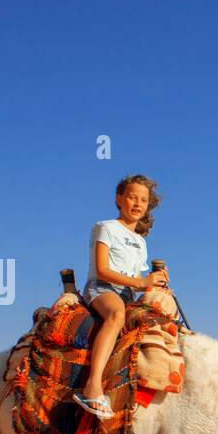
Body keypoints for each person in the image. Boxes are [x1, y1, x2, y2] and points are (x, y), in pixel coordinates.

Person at [55, 174, 169, 420]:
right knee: (117, 315)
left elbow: (137, 278)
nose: (137, 204)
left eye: (143, 200)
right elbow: (103, 268)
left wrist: (155, 282)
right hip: (102, 288)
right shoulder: (105, 227)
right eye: (132, 197)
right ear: (119, 199)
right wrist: (141, 282)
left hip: (127, 292)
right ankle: (92, 386)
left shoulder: (141, 241)